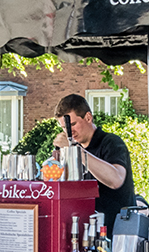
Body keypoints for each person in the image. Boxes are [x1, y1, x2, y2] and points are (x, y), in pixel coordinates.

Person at [52, 94, 136, 236]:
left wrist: (78, 152)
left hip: (116, 231)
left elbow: (116, 179)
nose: (69, 132)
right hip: (85, 231)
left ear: (88, 117)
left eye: (72, 124)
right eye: (64, 128)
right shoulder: (72, 151)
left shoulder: (112, 142)